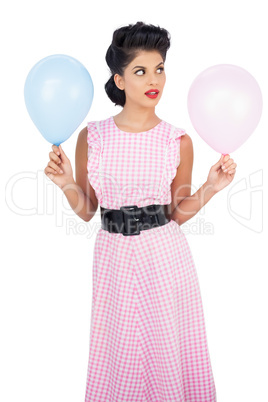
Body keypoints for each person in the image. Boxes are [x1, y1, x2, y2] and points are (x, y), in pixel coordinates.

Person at [44, 21, 236, 401]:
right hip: (112, 256)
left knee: (165, 346)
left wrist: (212, 188)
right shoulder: (92, 135)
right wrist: (66, 180)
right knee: (119, 350)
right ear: (119, 80)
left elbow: (176, 213)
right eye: (141, 71)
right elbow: (87, 211)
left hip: (164, 255)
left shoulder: (176, 140)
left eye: (160, 68)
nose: (154, 80)